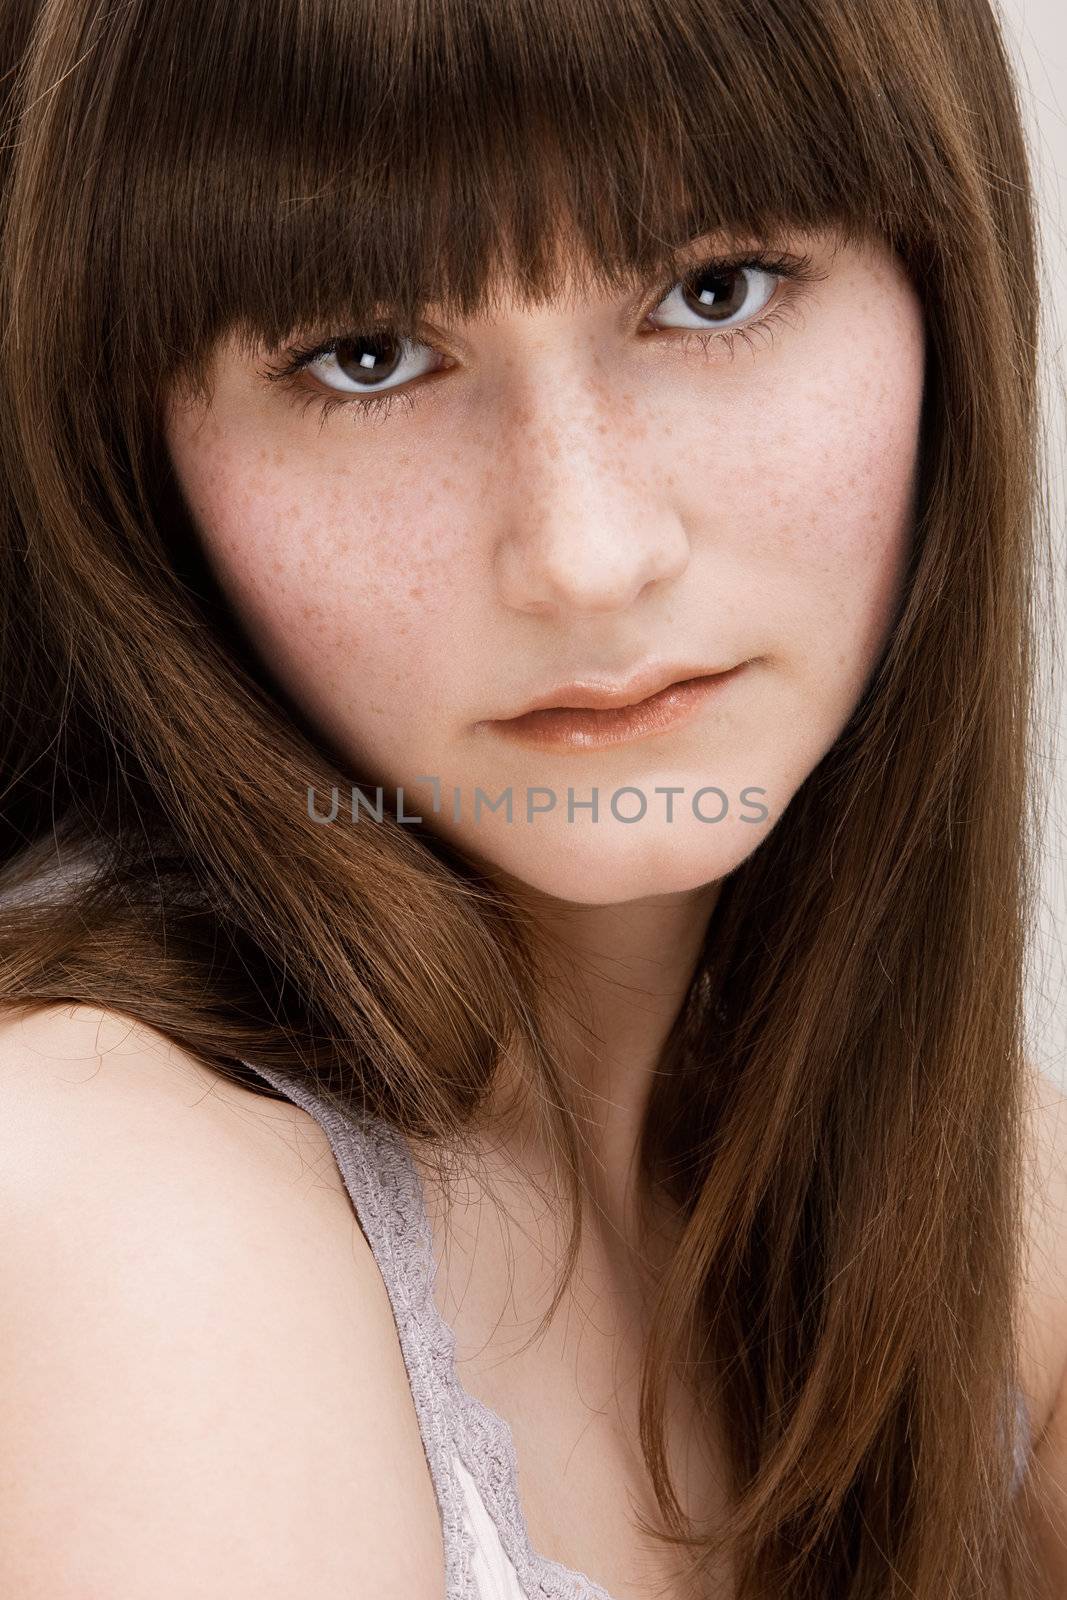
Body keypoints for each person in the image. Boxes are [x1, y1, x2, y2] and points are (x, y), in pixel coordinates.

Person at [0, 0, 1064, 1594]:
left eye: (714, 290)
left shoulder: (982, 1210)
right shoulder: (109, 1219)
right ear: (133, 452)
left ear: (946, 298)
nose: (586, 553)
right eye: (368, 356)